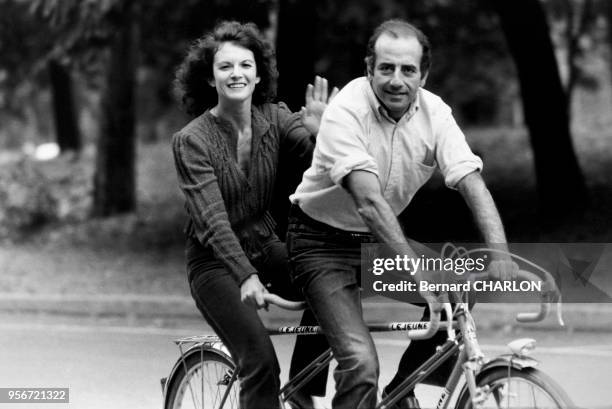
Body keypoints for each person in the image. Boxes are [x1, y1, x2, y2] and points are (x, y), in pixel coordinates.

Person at [287, 19, 518, 409]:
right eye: (386, 68)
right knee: (360, 364)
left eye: (408, 70)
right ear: (369, 69)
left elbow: (471, 181)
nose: (397, 80)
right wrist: (417, 271)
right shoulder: (346, 111)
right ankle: (314, 390)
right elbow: (370, 202)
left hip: (374, 243)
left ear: (423, 75)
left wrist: (500, 252)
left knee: (458, 295)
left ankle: (399, 394)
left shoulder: (435, 113)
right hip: (318, 243)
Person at [172, 21, 336, 409]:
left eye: (245, 65)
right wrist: (245, 275)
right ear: (211, 78)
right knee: (260, 363)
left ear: (258, 73)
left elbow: (322, 169)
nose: (236, 74)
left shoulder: (275, 118)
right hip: (215, 266)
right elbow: (212, 221)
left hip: (266, 248)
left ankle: (302, 388)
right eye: (225, 66)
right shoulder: (191, 140)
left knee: (333, 279)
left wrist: (323, 134)